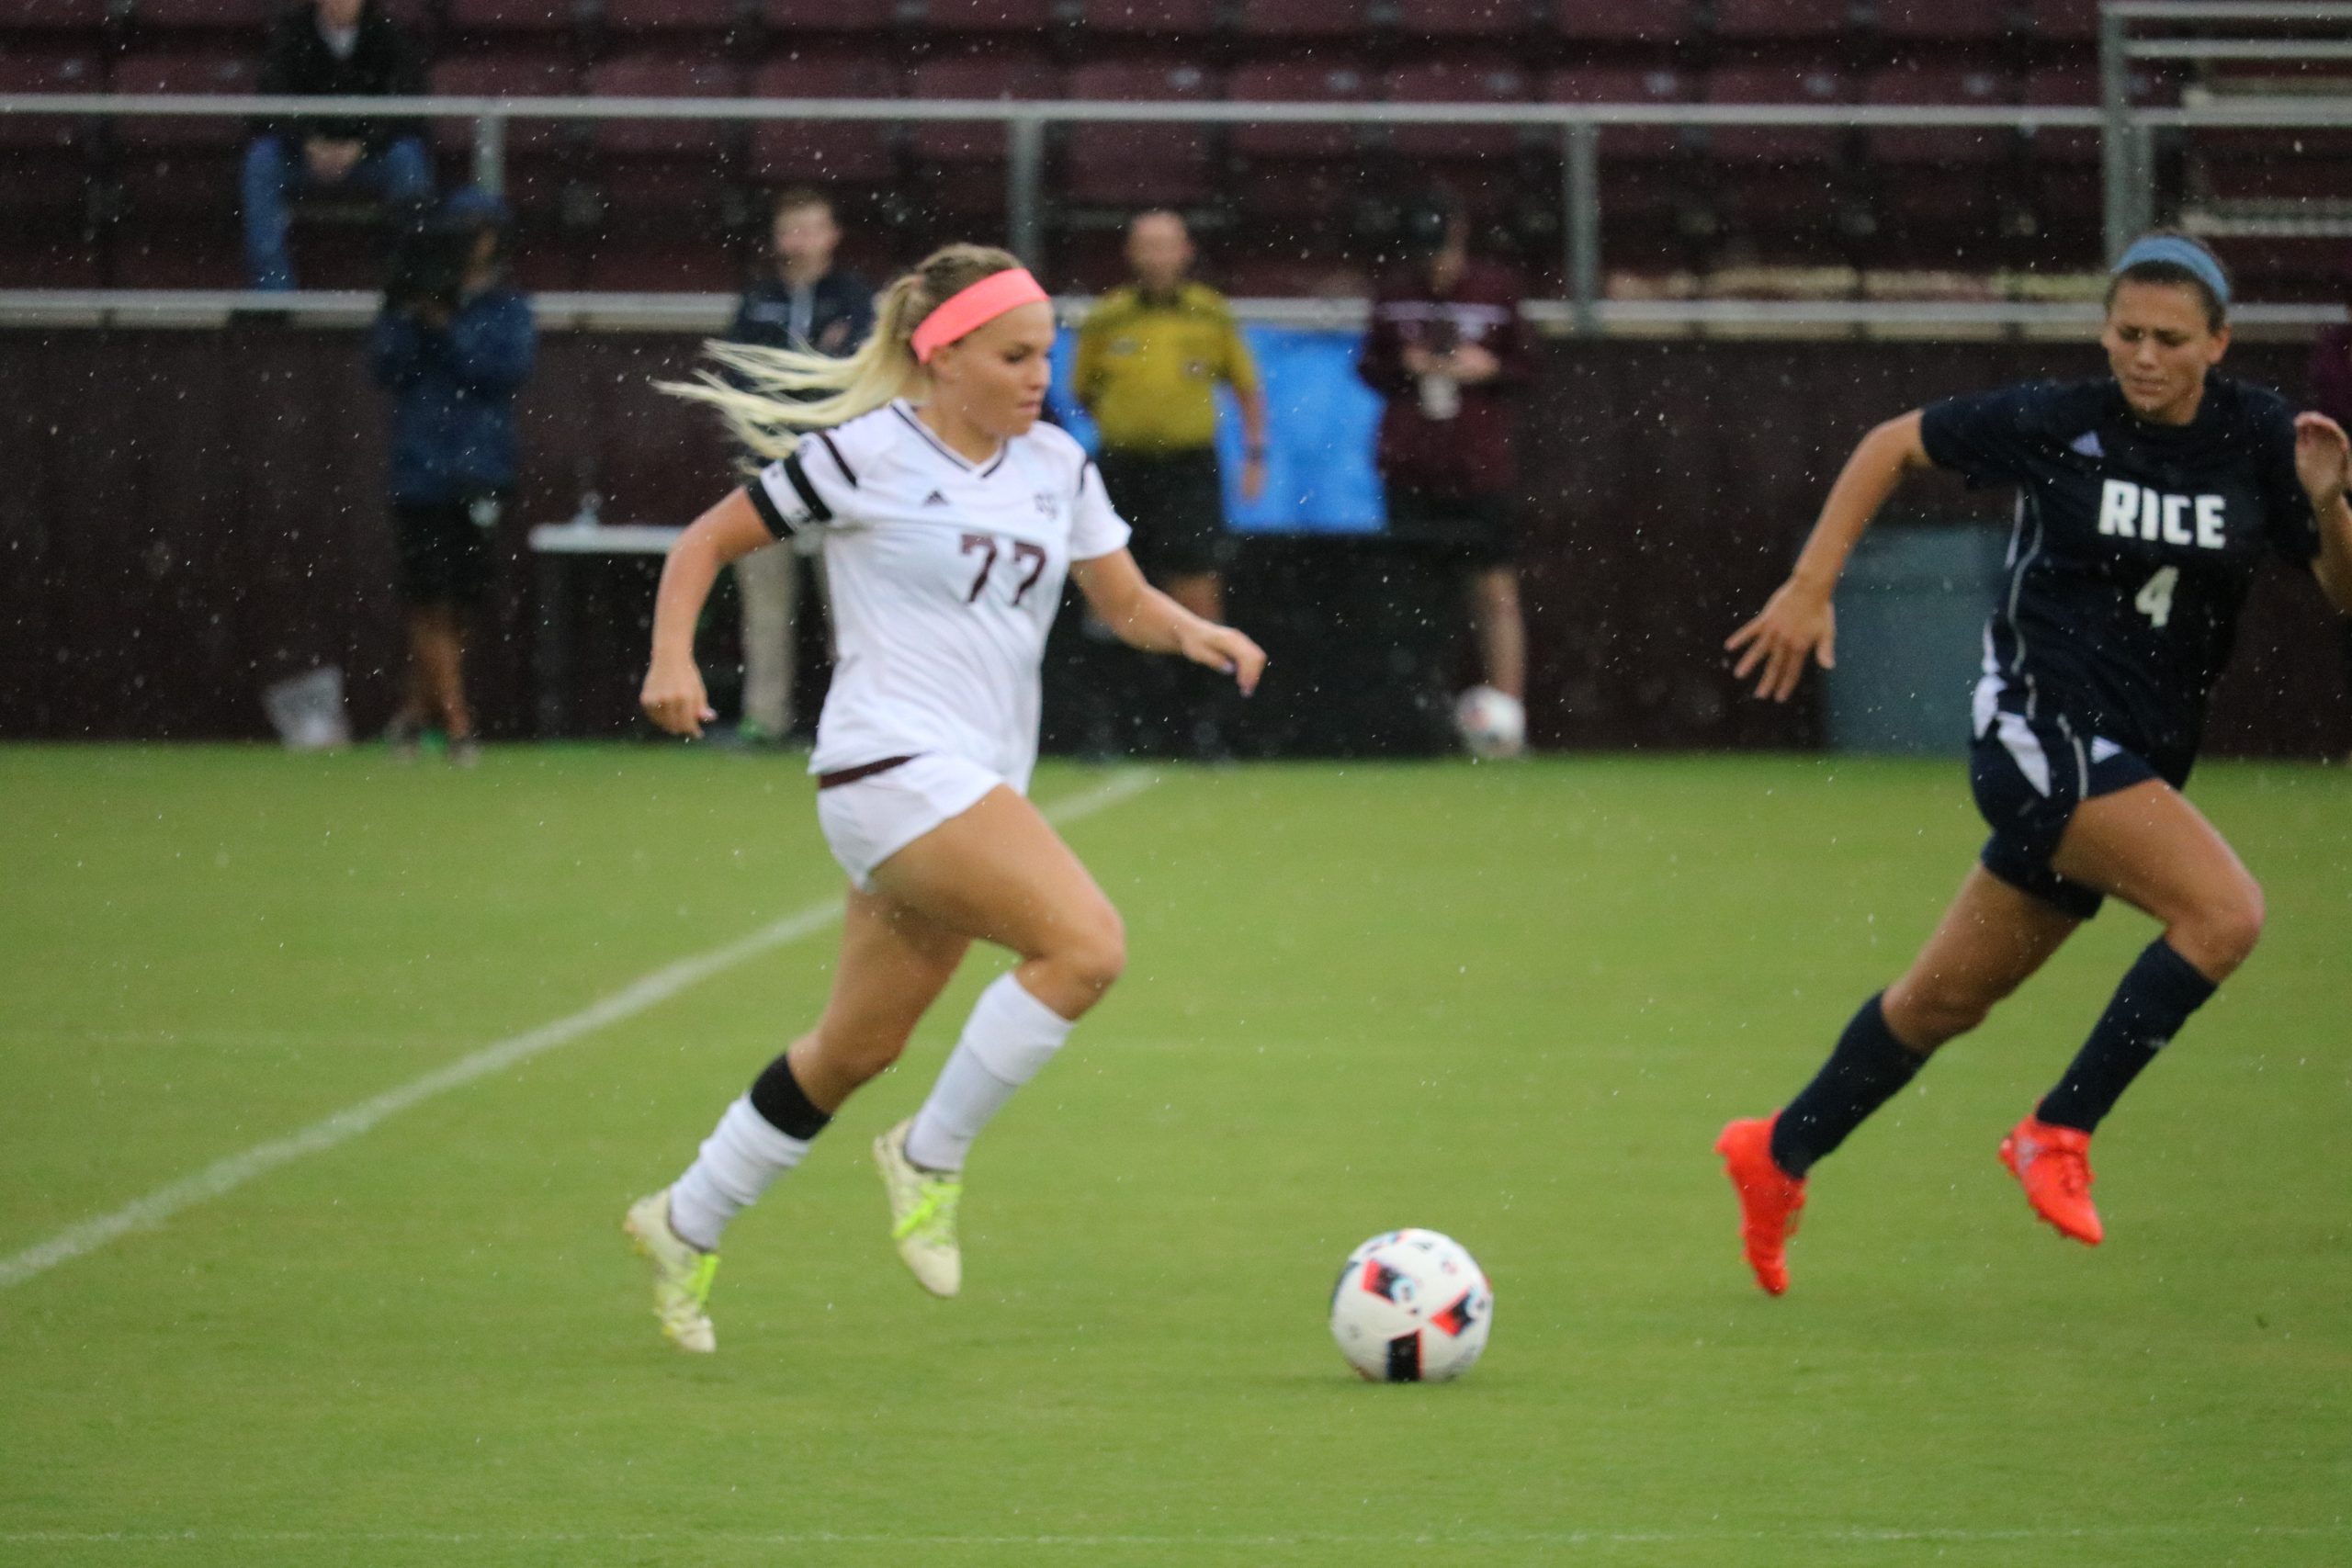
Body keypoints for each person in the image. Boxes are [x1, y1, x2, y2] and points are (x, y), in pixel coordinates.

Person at [620, 244, 1267, 1352]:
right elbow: (707, 541)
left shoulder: (1056, 465)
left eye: (1045, 357)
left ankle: (685, 1220)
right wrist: (670, 658)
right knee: (1085, 948)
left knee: (852, 1049)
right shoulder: (864, 455)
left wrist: (1191, 628)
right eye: (1014, 356)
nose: (1037, 377)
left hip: (967, 783)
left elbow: (1119, 600)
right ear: (945, 353)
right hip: (887, 766)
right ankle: (930, 1153)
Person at [1714, 232, 2352, 1295]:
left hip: (2130, 760)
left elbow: (2342, 593)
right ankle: (2057, 1131)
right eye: (2126, 334)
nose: (2142, 357)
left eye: (2168, 339)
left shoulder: (2259, 437)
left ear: (2218, 344)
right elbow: (1889, 443)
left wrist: (2329, 503)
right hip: (2037, 733)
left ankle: (1776, 1151)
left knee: (1939, 1004)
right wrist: (1810, 583)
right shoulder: (2060, 421)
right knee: (2224, 915)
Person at [1073, 211, 1267, 756]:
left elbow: (1247, 390)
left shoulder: (1211, 313)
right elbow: (1084, 390)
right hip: (1122, 467)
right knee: (1108, 589)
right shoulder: (1108, 316)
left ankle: (1202, 728)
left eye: (1167, 246)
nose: (1157, 257)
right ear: (1132, 254)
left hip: (1187, 470)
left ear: (1185, 251)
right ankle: (1110, 729)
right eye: (1147, 246)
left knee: (1197, 590)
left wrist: (1254, 455)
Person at [1356, 190, 1531, 753]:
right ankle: (1418, 724)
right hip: (1411, 466)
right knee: (1413, 601)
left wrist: (1488, 368)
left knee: (1494, 592)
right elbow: (1369, 366)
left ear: (1459, 238)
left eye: (1441, 249)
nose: (1434, 263)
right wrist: (1406, 367)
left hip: (1477, 468)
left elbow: (1531, 367)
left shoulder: (1496, 291)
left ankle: (1508, 722)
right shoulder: (1395, 293)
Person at [368, 189, 535, 767]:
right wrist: (415, 315)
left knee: (460, 602)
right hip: (420, 469)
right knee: (427, 599)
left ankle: (416, 715)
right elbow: (384, 366)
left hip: (480, 467)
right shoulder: (410, 297)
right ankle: (459, 723)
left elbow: (502, 370)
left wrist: (448, 327)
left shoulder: (507, 307)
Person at [718, 188, 875, 747]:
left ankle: (855, 727)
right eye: (791, 229)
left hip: (841, 475)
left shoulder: (857, 298)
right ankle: (765, 719)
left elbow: (857, 376)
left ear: (833, 235)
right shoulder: (758, 298)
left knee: (851, 608)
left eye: (812, 228)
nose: (800, 241)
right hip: (767, 471)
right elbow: (739, 376)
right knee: (765, 607)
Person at [243, 0, 434, 292]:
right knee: (262, 160)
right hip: (303, 156)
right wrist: (307, 143)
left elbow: (408, 108)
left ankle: (409, 281)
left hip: (371, 157)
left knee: (408, 157)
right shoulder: (292, 35)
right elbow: (270, 103)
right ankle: (273, 288)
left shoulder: (388, 35)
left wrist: (362, 146)